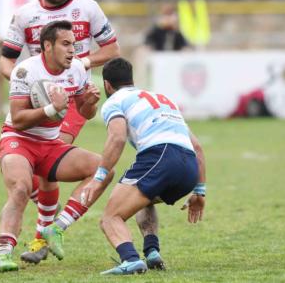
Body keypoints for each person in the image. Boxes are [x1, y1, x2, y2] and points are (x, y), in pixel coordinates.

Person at [0, 0, 120, 263]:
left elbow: (112, 49)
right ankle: (44, 233)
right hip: (42, 100)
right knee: (42, 173)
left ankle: (45, 235)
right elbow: (6, 60)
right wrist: (29, 86)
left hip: (74, 100)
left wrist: (80, 62)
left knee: (49, 162)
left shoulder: (88, 8)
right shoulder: (25, 15)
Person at [0, 21, 114, 273]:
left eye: (75, 44)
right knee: (21, 188)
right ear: (48, 46)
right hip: (18, 139)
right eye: (66, 44)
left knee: (103, 170)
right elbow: (18, 119)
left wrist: (90, 103)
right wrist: (52, 108)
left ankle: (56, 227)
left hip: (50, 143)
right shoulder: (26, 70)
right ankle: (4, 254)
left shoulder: (78, 69)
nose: (73, 50)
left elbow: (85, 112)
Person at [80, 58, 207, 275]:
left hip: (160, 156)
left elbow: (117, 138)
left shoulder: (114, 101)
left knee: (111, 217)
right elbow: (197, 148)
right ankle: (151, 252)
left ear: (107, 85)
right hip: (188, 167)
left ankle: (130, 259)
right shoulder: (163, 99)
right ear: (132, 80)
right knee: (145, 199)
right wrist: (199, 191)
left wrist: (99, 177)